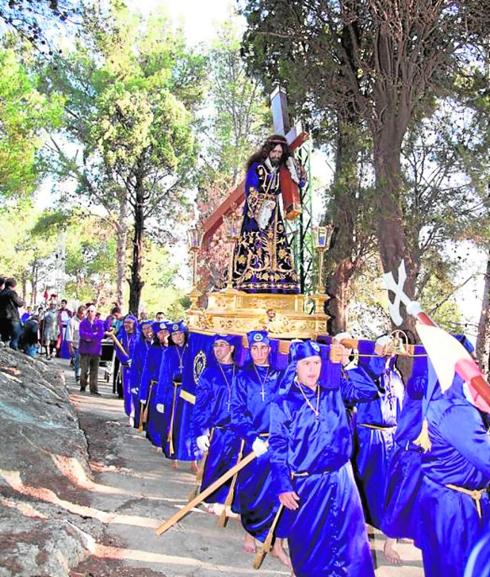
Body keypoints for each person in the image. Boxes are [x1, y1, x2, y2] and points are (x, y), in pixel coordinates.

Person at [269, 340, 375, 577]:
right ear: (295, 366)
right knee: (310, 544)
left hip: (341, 478)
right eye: (306, 363)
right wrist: (283, 486)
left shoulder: (333, 392)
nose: (312, 369)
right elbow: (277, 447)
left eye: (317, 363)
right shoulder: (284, 402)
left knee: (349, 542)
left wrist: (348, 363)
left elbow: (367, 392)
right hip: (308, 484)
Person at [417, 336, 490, 577]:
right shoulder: (455, 410)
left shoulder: (445, 401)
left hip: (444, 499)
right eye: (470, 362)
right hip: (457, 508)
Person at [230, 330, 289, 566]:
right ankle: (250, 533)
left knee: (281, 491)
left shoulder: (281, 375)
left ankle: (278, 545)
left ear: (269, 349)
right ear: (249, 350)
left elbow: (288, 407)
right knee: (252, 489)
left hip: (278, 442)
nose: (259, 352)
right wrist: (253, 437)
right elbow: (236, 412)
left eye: (263, 348)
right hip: (255, 443)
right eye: (254, 348)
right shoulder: (242, 377)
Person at [231, 135, 305, 294]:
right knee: (255, 246)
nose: (277, 155)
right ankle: (252, 282)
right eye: (274, 151)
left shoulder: (283, 170)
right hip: (257, 213)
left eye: (280, 152)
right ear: (268, 151)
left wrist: (296, 171)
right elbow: (250, 189)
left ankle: (280, 284)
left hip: (274, 214)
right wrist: (259, 209)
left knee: (278, 248)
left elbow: (300, 184)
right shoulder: (257, 167)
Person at [192, 334, 242, 513]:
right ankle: (210, 499)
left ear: (232, 348)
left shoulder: (241, 373)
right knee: (214, 466)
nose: (218, 349)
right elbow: (201, 406)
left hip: (237, 431)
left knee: (234, 467)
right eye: (215, 345)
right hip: (217, 430)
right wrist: (200, 431)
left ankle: (227, 502)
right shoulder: (209, 373)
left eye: (222, 345)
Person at [155, 321, 195, 466]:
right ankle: (174, 455)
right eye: (174, 334)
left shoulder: (191, 351)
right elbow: (163, 376)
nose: (177, 337)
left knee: (189, 424)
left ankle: (192, 457)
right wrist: (160, 399)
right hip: (172, 392)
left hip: (188, 393)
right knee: (172, 424)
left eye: (180, 334)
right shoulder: (168, 352)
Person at [139, 321, 169, 445]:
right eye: (161, 333)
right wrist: (143, 393)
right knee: (154, 415)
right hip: (155, 386)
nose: (163, 335)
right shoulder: (153, 349)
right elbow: (146, 371)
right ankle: (154, 439)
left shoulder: (174, 350)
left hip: (169, 388)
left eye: (166, 332)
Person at [129, 320, 153, 428]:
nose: (148, 331)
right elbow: (134, 366)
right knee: (139, 407)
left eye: (150, 327)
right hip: (140, 380)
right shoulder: (139, 345)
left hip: (154, 382)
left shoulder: (159, 344)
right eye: (145, 329)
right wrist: (133, 384)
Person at [115, 315, 139, 417]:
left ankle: (137, 412)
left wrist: (134, 361)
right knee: (127, 390)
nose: (126, 324)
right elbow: (118, 351)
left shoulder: (139, 337)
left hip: (137, 369)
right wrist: (125, 360)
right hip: (126, 367)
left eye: (129, 323)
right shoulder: (120, 337)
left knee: (136, 389)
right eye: (125, 322)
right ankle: (130, 411)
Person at [79, 305, 105, 395]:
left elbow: (101, 335)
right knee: (84, 370)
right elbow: (82, 334)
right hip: (85, 351)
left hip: (96, 351)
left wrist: (90, 337)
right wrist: (93, 335)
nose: (90, 313)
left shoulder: (99, 324)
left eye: (92, 311)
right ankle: (83, 385)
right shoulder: (82, 323)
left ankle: (94, 389)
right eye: (89, 311)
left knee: (94, 371)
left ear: (95, 312)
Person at [0, 277, 25, 349]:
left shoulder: (1, 293)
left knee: (5, 337)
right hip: (13, 318)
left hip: (2, 319)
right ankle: (13, 348)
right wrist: (22, 302)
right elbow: (19, 304)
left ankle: (6, 347)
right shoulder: (12, 293)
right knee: (17, 335)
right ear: (13, 286)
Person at [65, 305, 86, 384]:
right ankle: (78, 376)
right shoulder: (72, 321)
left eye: (84, 314)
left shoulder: (86, 321)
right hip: (76, 344)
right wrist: (70, 346)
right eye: (81, 313)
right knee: (78, 361)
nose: (82, 315)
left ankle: (83, 376)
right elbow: (69, 334)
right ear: (78, 313)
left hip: (85, 344)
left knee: (84, 362)